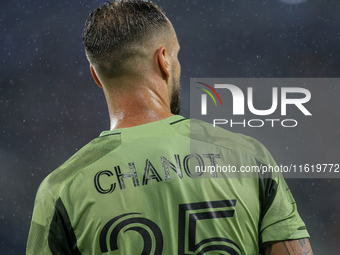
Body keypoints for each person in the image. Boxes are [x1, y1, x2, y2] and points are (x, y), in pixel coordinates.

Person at [26, 1, 314, 254]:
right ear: (163, 60)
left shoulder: (62, 189)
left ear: (96, 77)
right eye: (176, 55)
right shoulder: (247, 156)